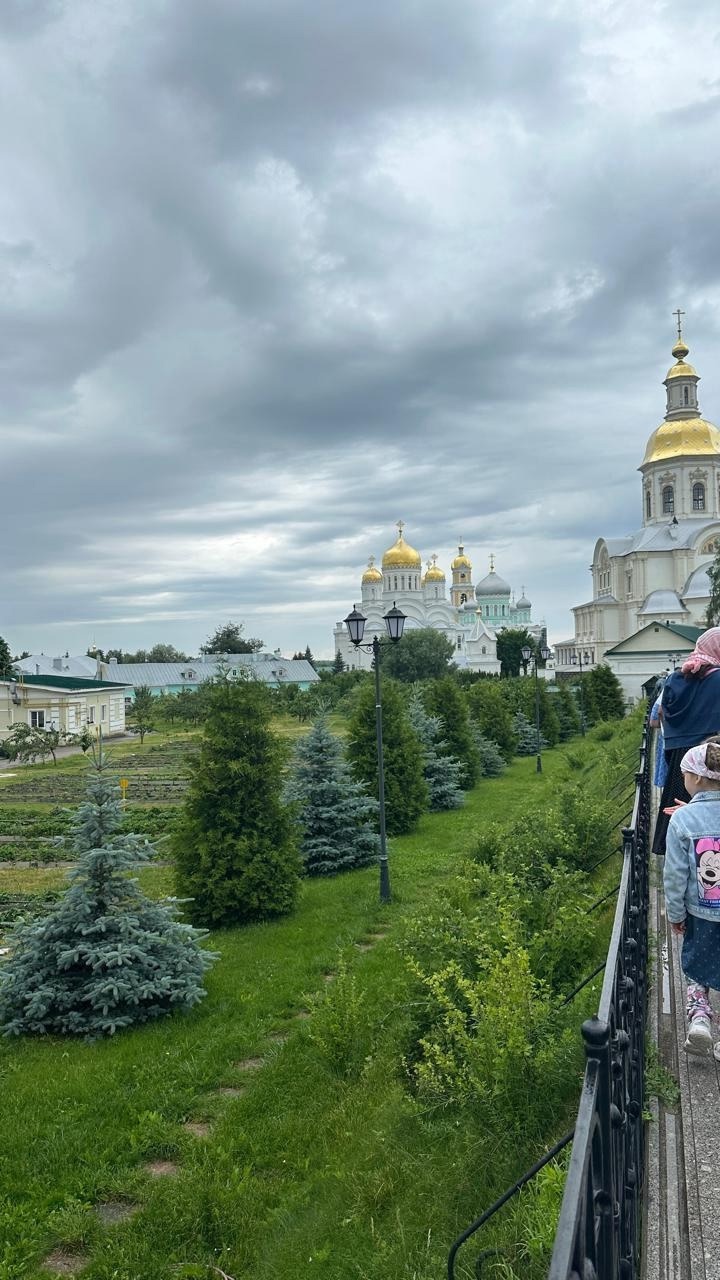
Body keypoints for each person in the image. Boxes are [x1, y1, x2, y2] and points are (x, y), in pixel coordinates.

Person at [664, 740, 720, 1059]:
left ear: (697, 778)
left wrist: (675, 914)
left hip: (701, 912)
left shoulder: (683, 821)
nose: (682, 780)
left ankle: (699, 1020)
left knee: (697, 966)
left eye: (684, 774)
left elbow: (675, 876)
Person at [652, 628, 720, 855]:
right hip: (713, 751)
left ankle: (678, 858)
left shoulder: (676, 677)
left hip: (684, 758)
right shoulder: (718, 678)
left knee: (679, 813)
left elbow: (662, 712)